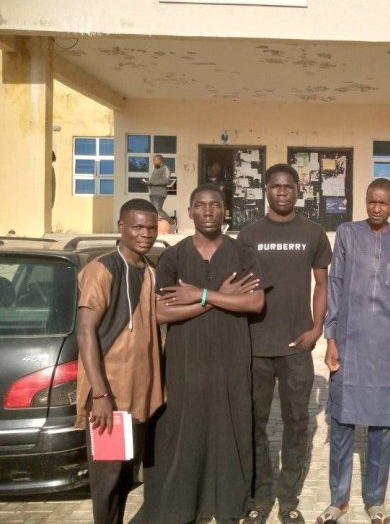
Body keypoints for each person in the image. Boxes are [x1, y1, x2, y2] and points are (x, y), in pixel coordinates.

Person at [138, 184, 265, 523]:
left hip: (231, 363)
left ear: (226, 212)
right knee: (185, 432)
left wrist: (199, 294)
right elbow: (161, 313)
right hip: (185, 364)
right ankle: (185, 504)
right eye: (200, 205)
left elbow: (254, 302)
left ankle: (227, 504)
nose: (208, 210)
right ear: (191, 211)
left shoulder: (242, 253)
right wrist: (215, 299)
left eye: (215, 205)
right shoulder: (174, 256)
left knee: (230, 430)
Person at [238, 163, 332, 524]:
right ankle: (260, 498)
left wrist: (317, 328)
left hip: (297, 347)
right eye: (275, 186)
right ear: (266, 189)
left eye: (288, 186)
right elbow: (238, 288)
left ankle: (289, 497)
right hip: (256, 347)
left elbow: (322, 285)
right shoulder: (248, 235)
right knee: (254, 424)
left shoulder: (313, 232)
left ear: (297, 190)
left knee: (296, 423)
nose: (281, 191)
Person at [316, 179, 390, 524]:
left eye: (383, 203)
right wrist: (331, 337)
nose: (376, 208)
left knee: (383, 429)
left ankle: (375, 501)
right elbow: (336, 283)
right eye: (371, 201)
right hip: (350, 341)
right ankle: (338, 500)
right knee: (341, 423)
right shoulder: (346, 232)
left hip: (388, 345)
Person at [75, 198, 164, 524]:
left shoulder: (150, 271)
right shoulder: (103, 268)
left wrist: (209, 299)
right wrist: (100, 395)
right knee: (108, 479)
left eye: (151, 227)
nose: (146, 234)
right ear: (122, 227)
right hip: (110, 399)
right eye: (138, 227)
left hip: (139, 396)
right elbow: (86, 331)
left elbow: (161, 312)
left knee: (126, 476)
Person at [143, 154, 172, 223]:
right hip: (153, 193)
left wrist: (151, 182)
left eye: (155, 160)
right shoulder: (155, 170)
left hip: (159, 193)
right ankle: (152, 225)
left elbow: (165, 180)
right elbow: (153, 182)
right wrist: (147, 183)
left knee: (158, 209)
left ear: (160, 160)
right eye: (153, 160)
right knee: (153, 210)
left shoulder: (165, 168)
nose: (153, 162)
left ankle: (171, 222)